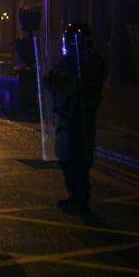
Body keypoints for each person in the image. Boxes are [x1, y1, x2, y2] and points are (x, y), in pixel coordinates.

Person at [46, 23, 106, 214]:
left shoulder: (93, 62)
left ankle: (81, 198)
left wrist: (61, 83)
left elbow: (82, 88)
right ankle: (75, 194)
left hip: (81, 118)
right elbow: (54, 78)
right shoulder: (68, 61)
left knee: (79, 160)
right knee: (65, 159)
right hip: (65, 117)